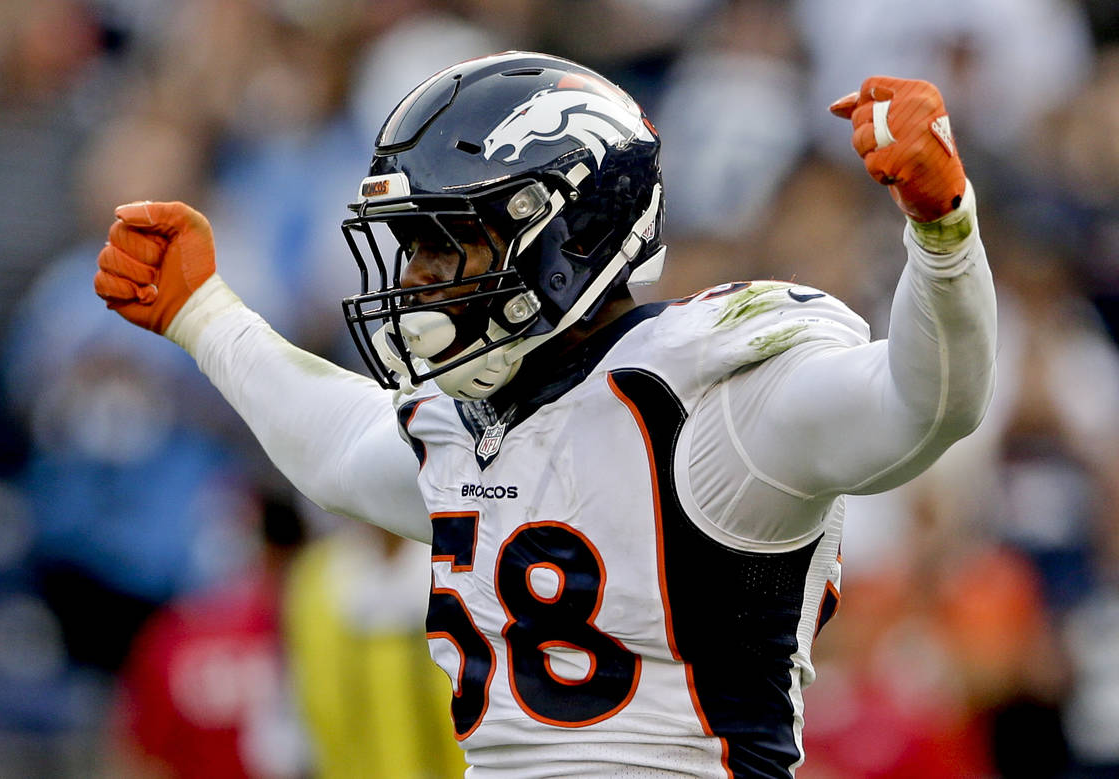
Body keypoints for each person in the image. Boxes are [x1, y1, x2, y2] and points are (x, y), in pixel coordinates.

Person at [93, 51, 996, 777]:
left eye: (449, 242)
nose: (414, 279)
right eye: (410, 247)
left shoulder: (714, 391)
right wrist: (204, 315)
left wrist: (942, 231)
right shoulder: (469, 422)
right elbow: (338, 446)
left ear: (567, 234)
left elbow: (927, 404)